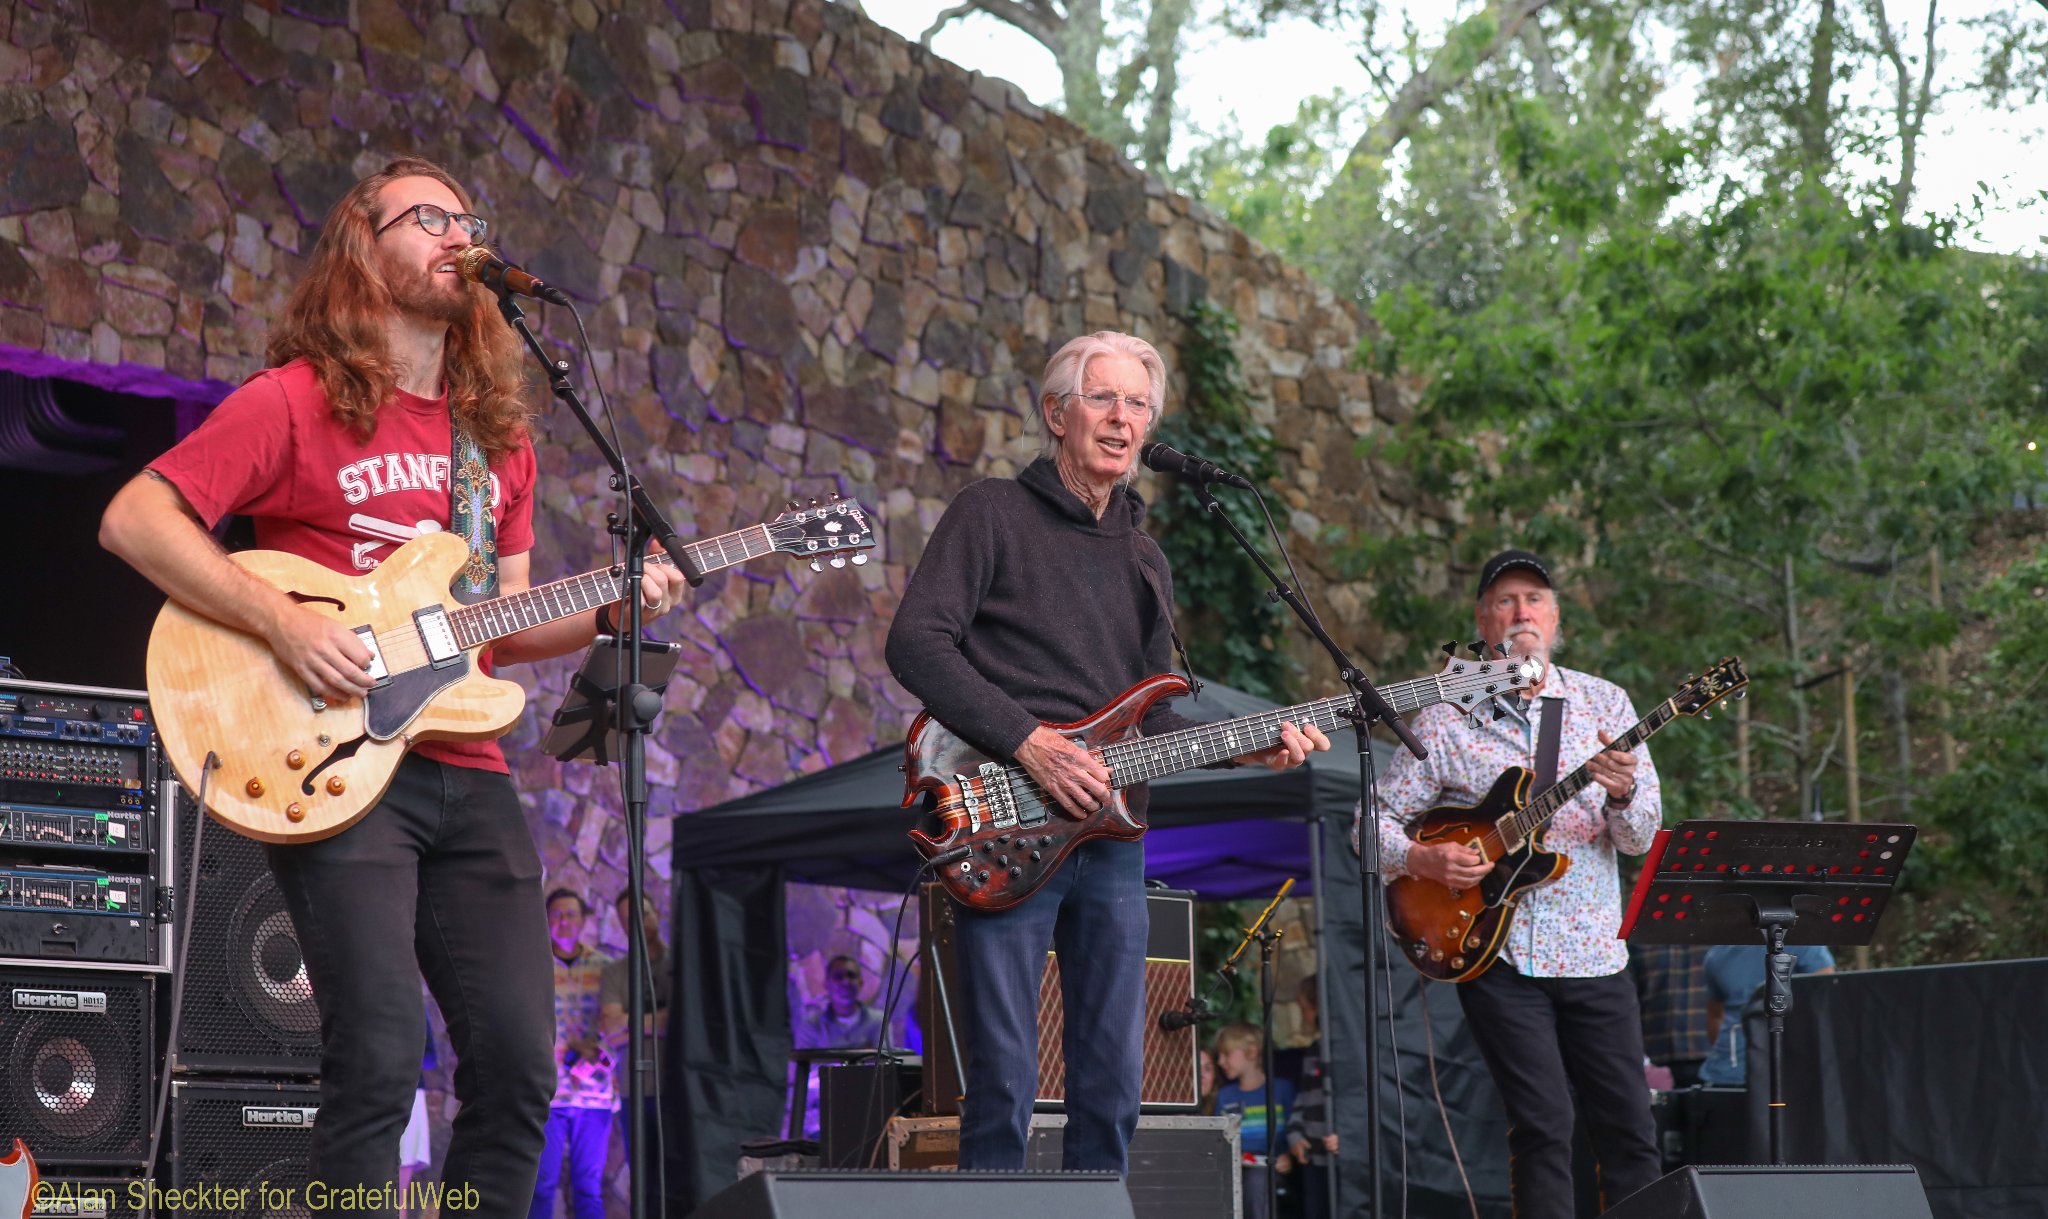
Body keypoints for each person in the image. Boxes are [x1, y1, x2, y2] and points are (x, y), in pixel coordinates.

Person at [97, 157, 687, 1216]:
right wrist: (279, 620)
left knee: (518, 1071)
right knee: (375, 1058)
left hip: (468, 767)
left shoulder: (494, 444)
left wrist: (613, 605)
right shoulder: (292, 404)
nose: (456, 235)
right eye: (427, 217)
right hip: (333, 758)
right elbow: (135, 517)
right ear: (363, 248)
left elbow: (497, 623)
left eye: (466, 218)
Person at [884, 330, 1330, 1172]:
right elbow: (917, 643)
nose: (1123, 420)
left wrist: (1248, 751)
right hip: (1004, 817)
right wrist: (1032, 742)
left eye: (1139, 404)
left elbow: (1151, 719)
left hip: (1114, 841)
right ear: (1058, 414)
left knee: (1114, 1083)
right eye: (1103, 398)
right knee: (1006, 1077)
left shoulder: (1144, 556)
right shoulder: (991, 512)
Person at [1368, 550, 1663, 1218]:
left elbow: (1642, 836)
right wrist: (1423, 860)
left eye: (1535, 598)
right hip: (1494, 951)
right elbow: (1370, 821)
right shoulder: (1445, 717)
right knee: (1543, 1126)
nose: (1522, 611)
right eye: (1505, 599)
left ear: (1556, 619)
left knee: (1629, 1127)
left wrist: (1621, 796)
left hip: (1593, 949)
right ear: (1482, 618)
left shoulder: (1603, 702)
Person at [532, 889, 617, 1219]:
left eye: (570, 914)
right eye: (556, 915)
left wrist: (598, 1053)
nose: (563, 922)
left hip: (595, 1096)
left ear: (584, 920)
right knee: (540, 1186)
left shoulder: (606, 967)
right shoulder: (535, 966)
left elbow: (619, 1028)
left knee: (588, 1188)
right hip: (549, 1094)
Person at [1698, 941, 1835, 1085]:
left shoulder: (1802, 942)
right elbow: (1715, 1015)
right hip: (1726, 1074)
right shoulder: (1717, 954)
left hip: (1788, 1071)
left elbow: (1824, 1004)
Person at [600, 893, 670, 1158]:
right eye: (628, 919)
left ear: (657, 915)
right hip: (634, 1093)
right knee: (642, 1180)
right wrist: (659, 1018)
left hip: (675, 1089)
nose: (639, 923)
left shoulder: (679, 966)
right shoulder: (615, 972)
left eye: (644, 914)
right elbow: (610, 1030)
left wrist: (628, 1022)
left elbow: (680, 1024)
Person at [1214, 1022, 1294, 1219]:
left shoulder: (1281, 1089)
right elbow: (1218, 1138)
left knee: (1257, 1182)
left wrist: (1289, 1156)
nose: (1220, 1061)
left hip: (1272, 1169)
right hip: (1234, 1167)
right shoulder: (1225, 1095)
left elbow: (1296, 1128)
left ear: (1251, 1052)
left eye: (1227, 1054)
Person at [1280, 975, 1337, 1219]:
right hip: (1313, 1156)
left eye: (1304, 1008)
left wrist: (1348, 1135)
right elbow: (1303, 1098)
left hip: (1339, 1154)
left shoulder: (1345, 1050)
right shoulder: (1314, 1049)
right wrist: (1294, 1135)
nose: (1303, 1016)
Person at [1629, 942, 1712, 1088]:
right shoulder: (1640, 937)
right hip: (1653, 1060)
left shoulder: (1723, 933)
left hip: (1711, 1057)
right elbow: (1625, 1001)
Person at [792, 954, 885, 1051]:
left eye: (851, 975)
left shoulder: (878, 1022)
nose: (845, 982)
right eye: (838, 976)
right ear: (826, 984)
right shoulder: (811, 1025)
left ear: (860, 983)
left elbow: (885, 1062)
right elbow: (803, 1064)